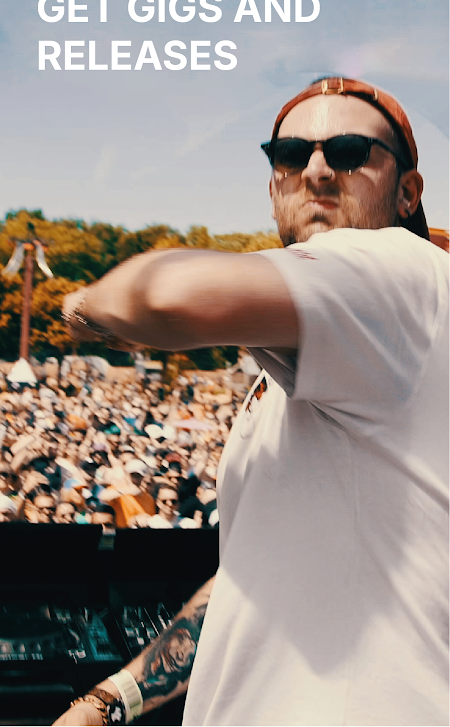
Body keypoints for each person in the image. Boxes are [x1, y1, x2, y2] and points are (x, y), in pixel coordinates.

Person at [54, 77, 448, 726]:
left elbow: (163, 295)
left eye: (350, 151)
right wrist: (115, 698)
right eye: (290, 155)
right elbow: (255, 578)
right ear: (272, 188)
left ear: (407, 192)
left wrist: (81, 307)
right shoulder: (312, 365)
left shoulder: (399, 268)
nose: (316, 171)